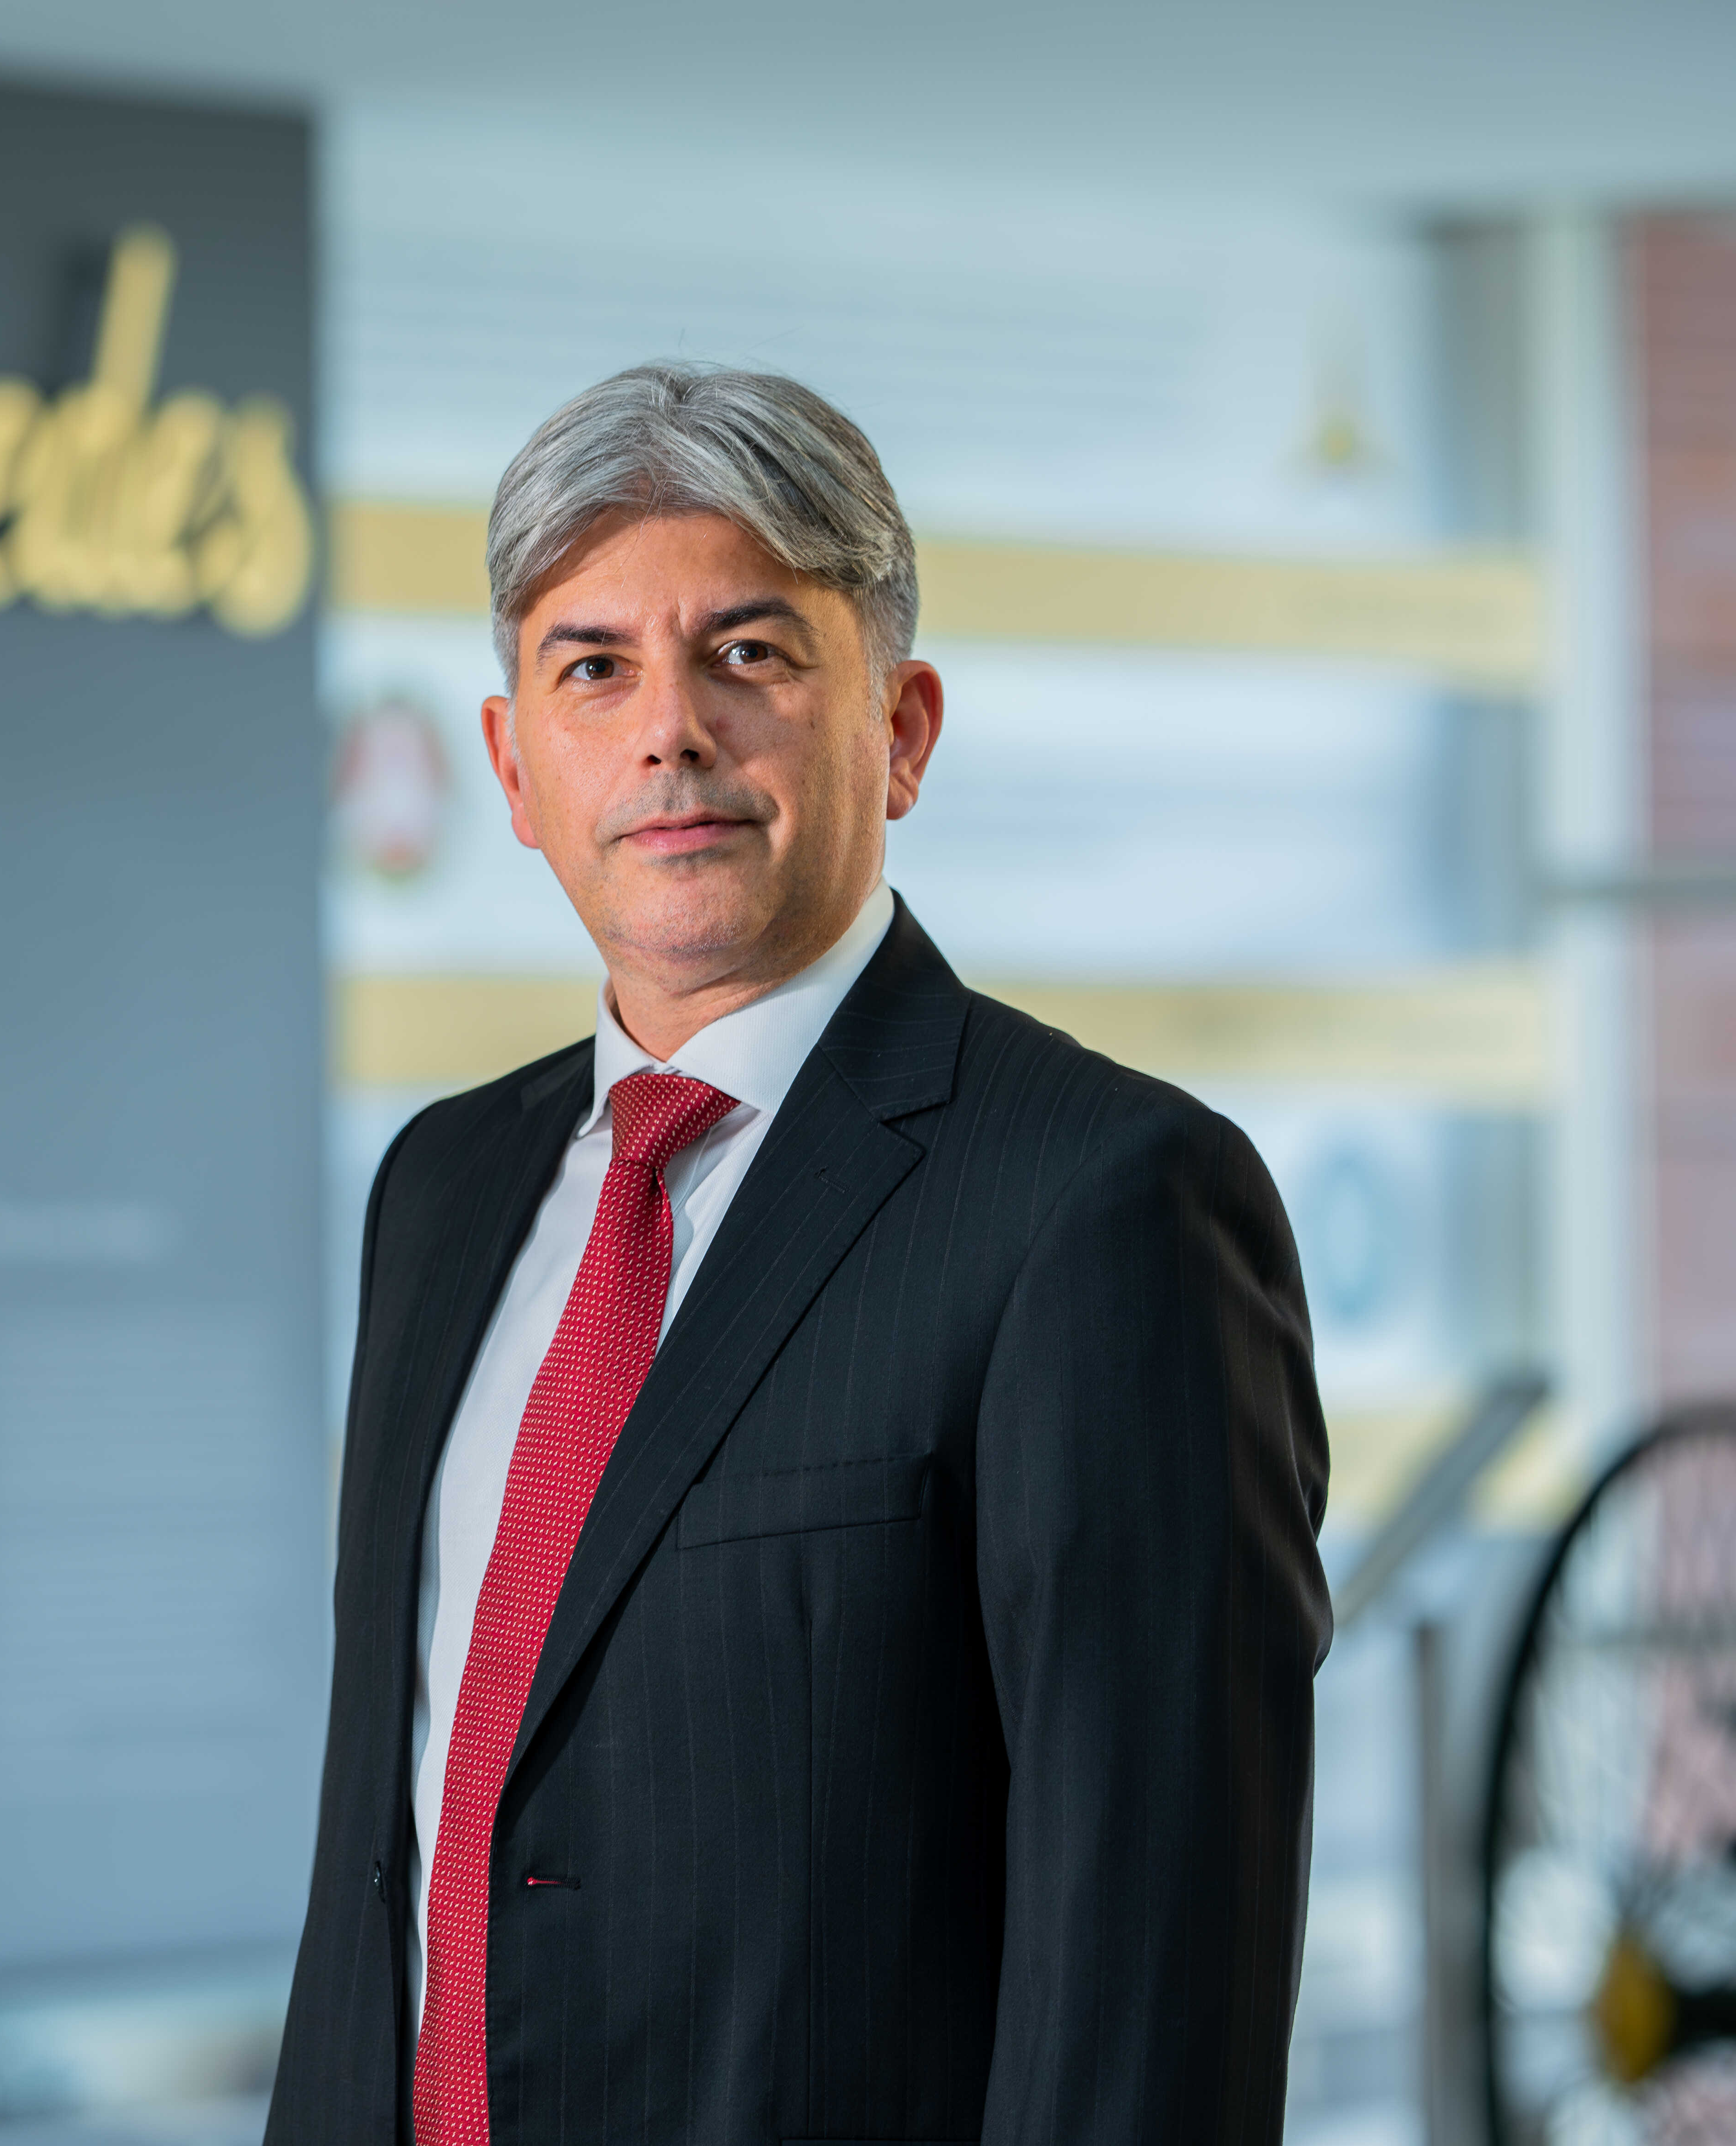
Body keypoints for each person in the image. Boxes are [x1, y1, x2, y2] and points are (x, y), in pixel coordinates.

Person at [266, 364, 1330, 2144]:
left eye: (747, 654)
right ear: (513, 766)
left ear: (900, 730)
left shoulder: (1106, 1206)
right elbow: (388, 1855)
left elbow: (1149, 1997)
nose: (667, 733)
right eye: (592, 668)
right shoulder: (438, 1191)